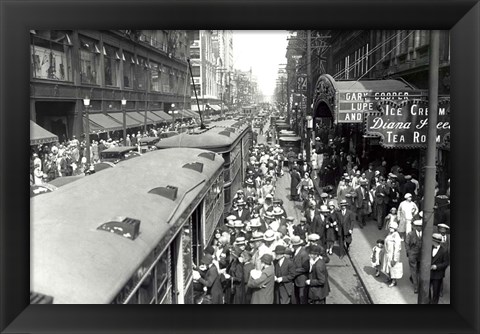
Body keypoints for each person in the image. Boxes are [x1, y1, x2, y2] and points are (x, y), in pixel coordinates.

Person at [381, 221, 403, 287]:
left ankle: (394, 281)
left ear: (395, 229)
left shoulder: (396, 236)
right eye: (390, 227)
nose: (390, 229)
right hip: (387, 253)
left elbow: (397, 248)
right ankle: (389, 277)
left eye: (392, 228)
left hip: (392, 254)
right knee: (387, 266)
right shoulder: (390, 234)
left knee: (393, 267)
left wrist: (395, 258)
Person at [405, 219, 423, 294]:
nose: (419, 228)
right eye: (418, 226)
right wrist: (409, 253)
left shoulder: (425, 234)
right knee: (414, 270)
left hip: (421, 255)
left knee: (419, 270)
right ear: (415, 227)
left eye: (421, 226)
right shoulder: (410, 234)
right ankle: (416, 287)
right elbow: (406, 244)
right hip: (413, 254)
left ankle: (412, 277)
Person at [291, 236, 310, 304]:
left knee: (302, 299)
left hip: (302, 280)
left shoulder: (303, 254)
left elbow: (306, 268)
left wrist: (295, 271)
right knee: (297, 298)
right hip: (297, 280)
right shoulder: (296, 252)